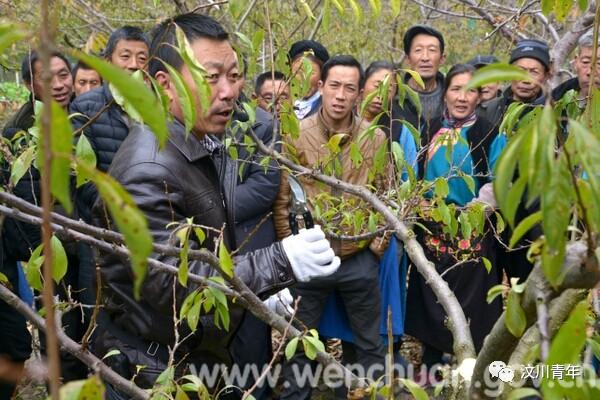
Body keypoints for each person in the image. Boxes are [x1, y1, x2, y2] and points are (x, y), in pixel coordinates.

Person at [92, 13, 340, 399]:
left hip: (194, 358)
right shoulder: (147, 169)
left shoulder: (200, 142)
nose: (228, 91)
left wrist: (256, 288)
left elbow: (205, 250)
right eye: (211, 77)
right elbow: (171, 286)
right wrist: (278, 261)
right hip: (153, 372)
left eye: (234, 75)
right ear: (165, 85)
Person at [274, 55, 392, 399]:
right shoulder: (296, 135)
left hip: (359, 257)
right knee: (300, 345)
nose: (341, 95)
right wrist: (291, 251)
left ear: (359, 95)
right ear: (321, 87)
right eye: (335, 86)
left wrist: (375, 248)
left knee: (370, 345)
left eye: (350, 88)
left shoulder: (375, 138)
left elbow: (387, 197)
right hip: (312, 255)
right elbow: (282, 200)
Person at [404, 64, 503, 378]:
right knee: (432, 299)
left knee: (474, 306)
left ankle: (471, 371)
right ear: (444, 93)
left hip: (474, 230)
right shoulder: (429, 127)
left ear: (480, 95)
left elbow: (497, 181)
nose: (462, 97)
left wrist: (472, 213)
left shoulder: (488, 131)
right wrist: (424, 209)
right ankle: (432, 369)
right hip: (431, 228)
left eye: (471, 90)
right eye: (456, 89)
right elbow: (413, 175)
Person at [1, 51, 88, 384]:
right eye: (47, 78)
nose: (59, 85)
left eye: (64, 75)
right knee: (62, 339)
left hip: (95, 251)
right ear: (29, 84)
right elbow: (24, 209)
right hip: (55, 257)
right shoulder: (18, 133)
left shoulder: (88, 116)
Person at [70, 26, 150, 224]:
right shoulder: (84, 107)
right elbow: (82, 178)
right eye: (125, 56)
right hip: (103, 228)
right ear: (108, 62)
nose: (134, 65)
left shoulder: (160, 107)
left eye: (142, 59)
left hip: (154, 221)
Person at [479, 39, 551, 129]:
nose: (526, 80)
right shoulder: (490, 110)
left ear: (546, 76)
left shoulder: (553, 112)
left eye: (534, 72)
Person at [400, 25, 446, 130]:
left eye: (432, 50)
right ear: (408, 59)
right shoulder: (395, 96)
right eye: (418, 50)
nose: (425, 57)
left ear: (442, 59)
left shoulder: (453, 95)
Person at [550, 30, 600, 105]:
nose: (590, 72)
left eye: (599, 63)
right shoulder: (556, 99)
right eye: (585, 62)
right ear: (576, 62)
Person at [288, 39, 330, 119]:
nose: (304, 80)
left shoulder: (329, 111)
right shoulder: (280, 105)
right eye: (298, 72)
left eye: (311, 73)